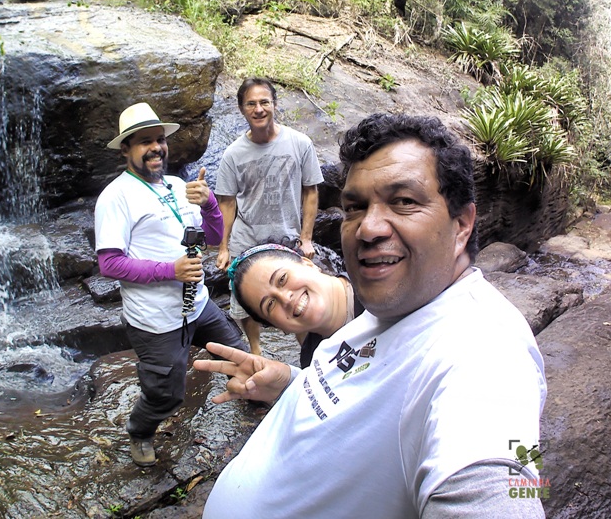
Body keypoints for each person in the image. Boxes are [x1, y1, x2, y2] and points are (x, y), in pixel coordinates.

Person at [195, 113, 547, 518]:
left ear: (462, 223)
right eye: (355, 207)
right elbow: (367, 405)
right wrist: (291, 383)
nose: (369, 228)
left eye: (404, 201)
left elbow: (493, 488)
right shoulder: (394, 305)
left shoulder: (486, 351)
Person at [94, 102, 247, 468]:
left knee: (237, 352)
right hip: (156, 319)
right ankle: (140, 431)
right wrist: (170, 270)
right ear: (127, 149)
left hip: (197, 303)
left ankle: (258, 399)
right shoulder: (116, 197)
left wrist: (210, 204)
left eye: (160, 139)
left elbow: (211, 238)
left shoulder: (180, 186)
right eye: (145, 141)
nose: (156, 148)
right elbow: (108, 263)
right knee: (166, 394)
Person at [215, 77, 324, 356]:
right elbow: (226, 204)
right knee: (244, 301)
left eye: (264, 102)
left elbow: (310, 192)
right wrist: (224, 247)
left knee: (297, 296)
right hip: (246, 240)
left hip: (287, 239)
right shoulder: (233, 154)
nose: (259, 109)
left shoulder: (300, 143)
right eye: (251, 104)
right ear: (242, 109)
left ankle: (309, 355)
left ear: (275, 104)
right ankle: (256, 351)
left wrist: (307, 238)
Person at [227, 242, 363, 368]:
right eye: (270, 304)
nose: (286, 299)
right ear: (280, 327)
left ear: (309, 264)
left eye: (282, 279)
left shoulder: (378, 296)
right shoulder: (313, 363)